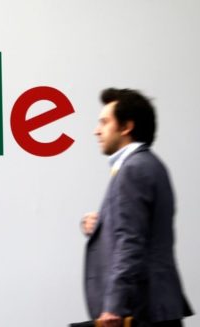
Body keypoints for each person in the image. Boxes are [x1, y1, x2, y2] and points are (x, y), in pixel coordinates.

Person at [81, 88, 194, 327]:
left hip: (141, 312)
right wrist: (100, 224)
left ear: (126, 127)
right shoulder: (148, 164)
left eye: (104, 122)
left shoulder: (133, 169)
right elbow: (139, 229)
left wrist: (114, 306)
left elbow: (130, 242)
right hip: (153, 309)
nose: (96, 130)